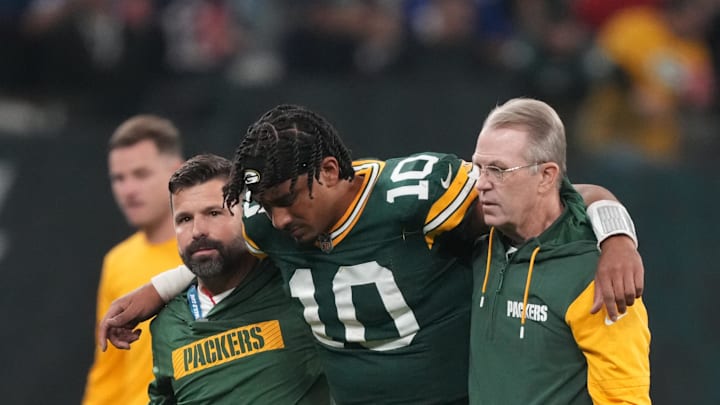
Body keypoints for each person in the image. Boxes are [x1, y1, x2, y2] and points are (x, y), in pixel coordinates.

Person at [99, 105, 643, 404]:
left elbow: (553, 196)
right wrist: (158, 288)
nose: (281, 219)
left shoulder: (418, 194)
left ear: (330, 172)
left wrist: (616, 232)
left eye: (288, 199)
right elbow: (219, 246)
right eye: (266, 205)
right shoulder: (268, 221)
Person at [468, 98, 650, 403]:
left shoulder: (598, 277)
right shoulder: (477, 242)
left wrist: (618, 239)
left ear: (546, 176)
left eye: (498, 170)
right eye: (478, 167)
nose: (481, 184)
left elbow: (625, 400)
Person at [149, 153, 328, 404]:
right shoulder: (166, 326)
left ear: (247, 214)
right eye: (185, 219)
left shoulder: (297, 284)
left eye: (213, 213)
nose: (197, 230)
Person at [83, 115, 184, 405]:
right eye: (119, 178)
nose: (128, 190)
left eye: (141, 174)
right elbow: (109, 369)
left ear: (177, 173)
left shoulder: (216, 250)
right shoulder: (117, 261)